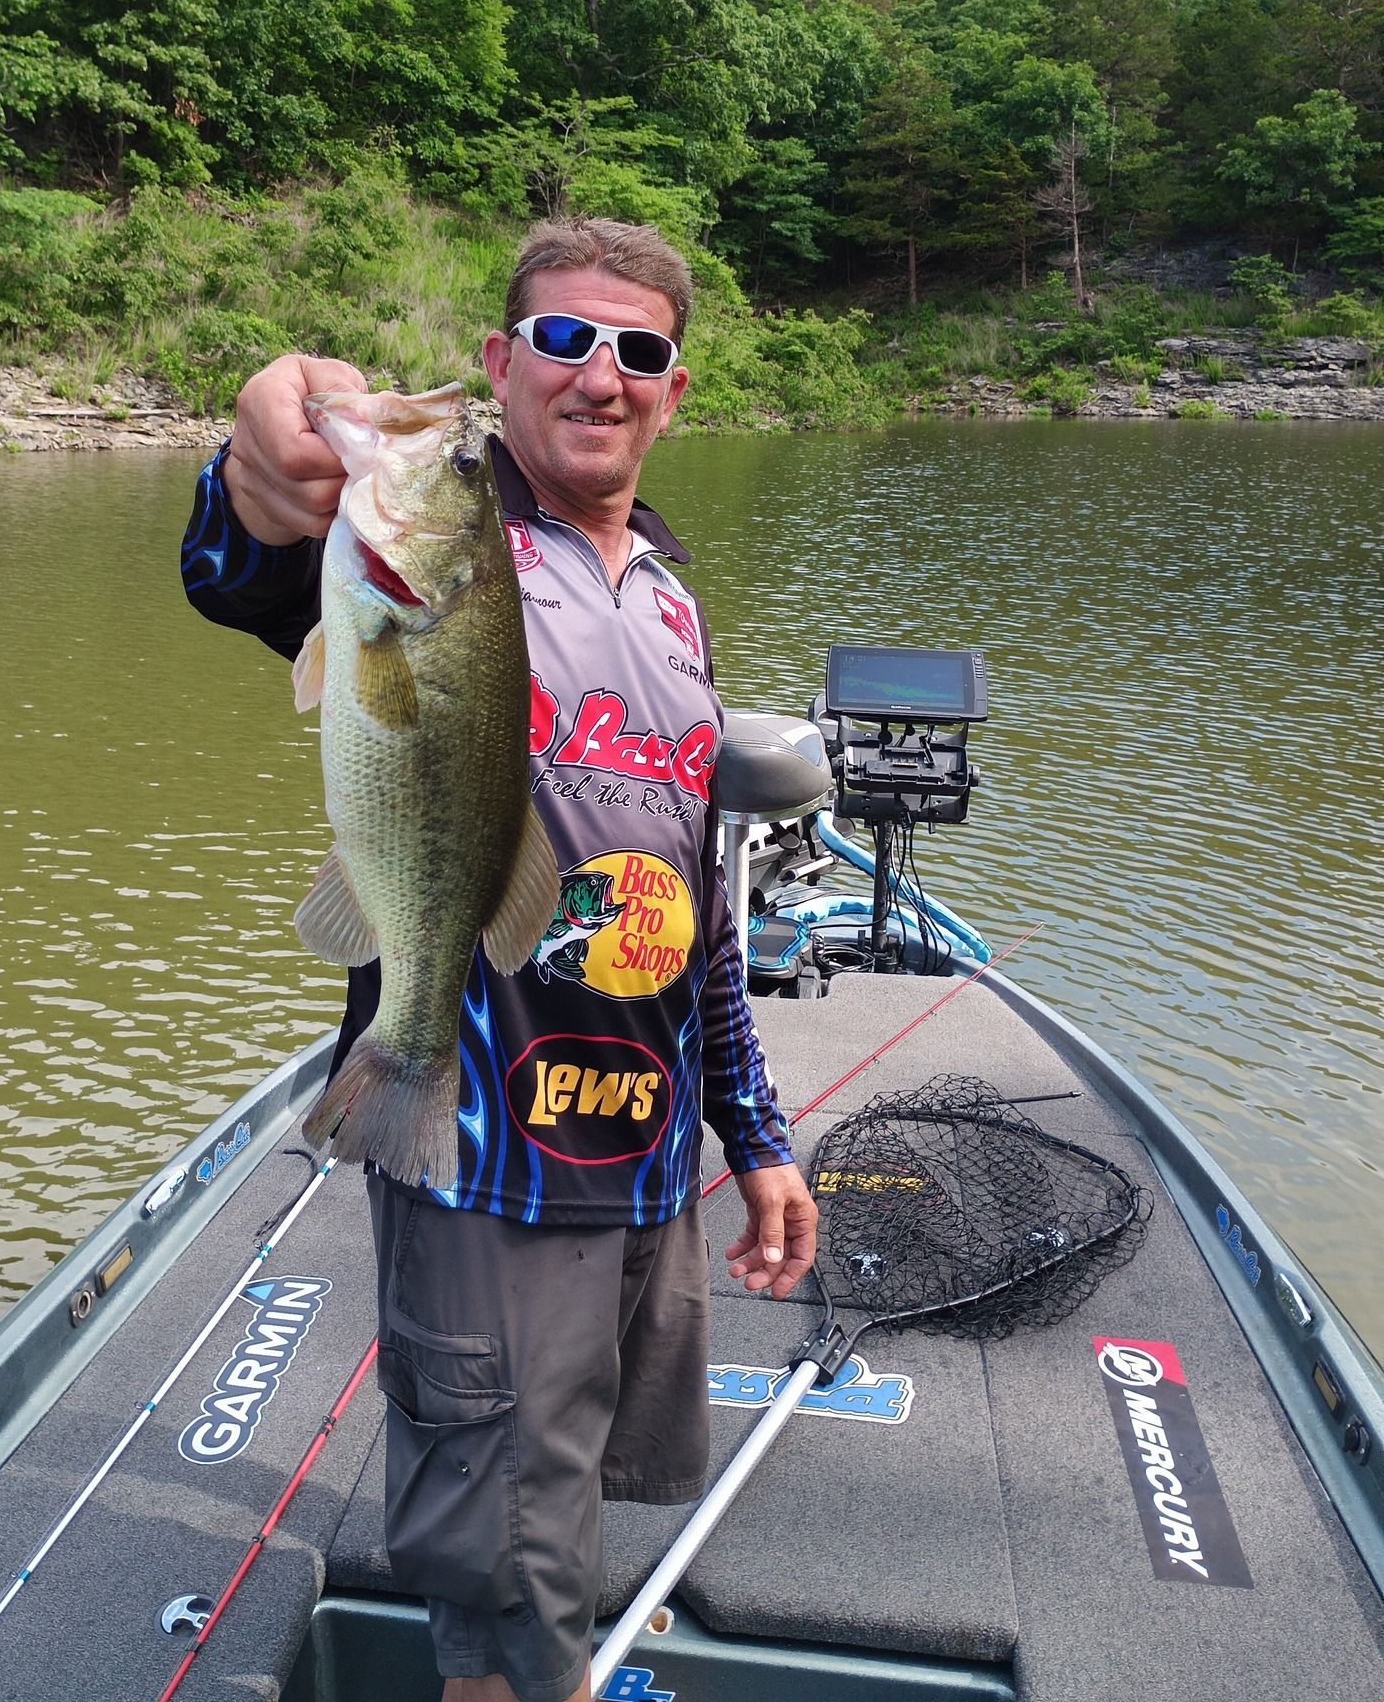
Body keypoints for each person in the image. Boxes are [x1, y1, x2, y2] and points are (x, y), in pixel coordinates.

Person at [181, 217, 817, 1702]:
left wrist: (755, 1134)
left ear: (673, 387)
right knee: (498, 1590)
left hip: (646, 1156)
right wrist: (259, 465)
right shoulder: (444, 551)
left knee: (571, 1501)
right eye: (563, 339)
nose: (600, 375)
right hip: (484, 1144)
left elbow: (700, 897)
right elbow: (242, 565)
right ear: (497, 363)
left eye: (639, 350)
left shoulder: (666, 587)